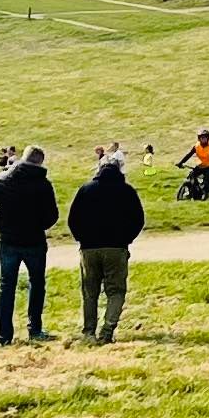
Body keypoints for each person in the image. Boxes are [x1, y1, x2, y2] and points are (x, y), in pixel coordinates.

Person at [0, 145, 60, 343]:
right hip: (34, 240)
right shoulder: (43, 184)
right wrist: (38, 225)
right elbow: (52, 216)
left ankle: (4, 335)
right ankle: (35, 329)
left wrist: (1, 222)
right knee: (37, 284)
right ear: (40, 162)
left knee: (7, 285)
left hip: (8, 239)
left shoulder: (1, 179)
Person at [70, 148, 144, 345]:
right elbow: (138, 219)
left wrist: (82, 240)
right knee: (116, 291)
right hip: (116, 247)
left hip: (89, 248)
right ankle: (108, 329)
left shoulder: (86, 189)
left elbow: (73, 220)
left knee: (90, 292)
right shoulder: (127, 191)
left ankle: (89, 331)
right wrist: (126, 239)